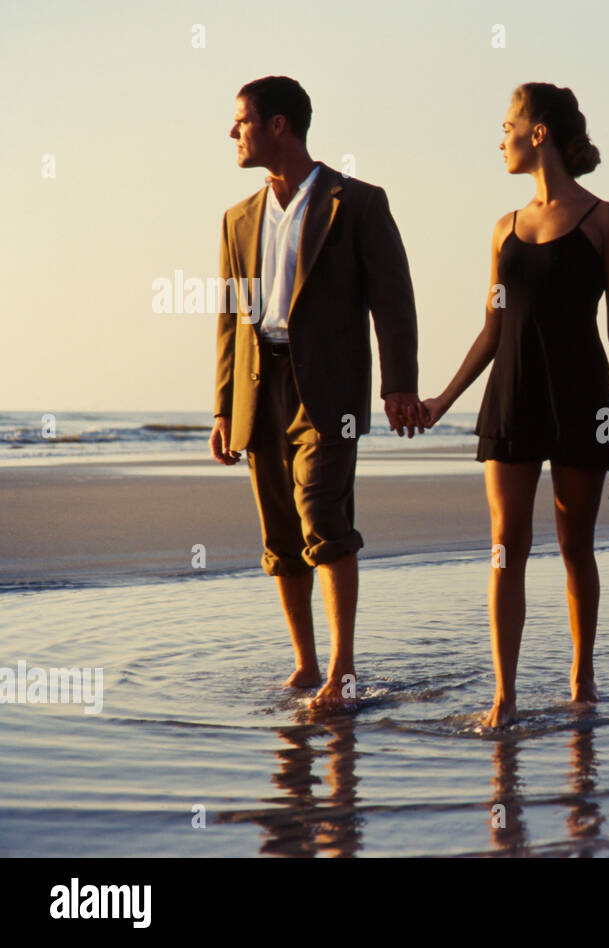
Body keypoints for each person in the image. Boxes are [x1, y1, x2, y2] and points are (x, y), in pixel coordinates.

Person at [420, 83, 609, 728]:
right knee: (504, 545)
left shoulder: (606, 221)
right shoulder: (503, 230)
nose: (501, 139)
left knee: (576, 546)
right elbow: (491, 331)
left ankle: (582, 680)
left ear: (538, 132)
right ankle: (505, 696)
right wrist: (441, 400)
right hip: (511, 398)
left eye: (508, 125)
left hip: (581, 397)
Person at [210, 76, 425, 710]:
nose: (233, 132)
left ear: (279, 125)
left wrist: (399, 386)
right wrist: (224, 407)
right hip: (258, 387)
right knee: (280, 533)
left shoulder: (355, 202)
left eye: (242, 120)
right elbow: (229, 318)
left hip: (329, 389)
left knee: (324, 519)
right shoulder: (236, 218)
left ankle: (343, 670)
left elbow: (394, 301)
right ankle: (305, 666)